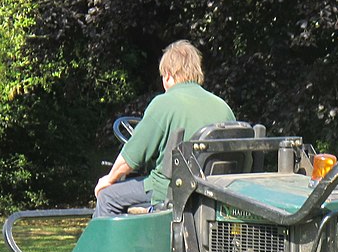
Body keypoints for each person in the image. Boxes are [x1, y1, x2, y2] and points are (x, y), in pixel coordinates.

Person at [94, 40, 235, 217]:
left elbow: (130, 158)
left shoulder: (163, 103)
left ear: (168, 75)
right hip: (214, 192)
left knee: (107, 197)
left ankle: (106, 245)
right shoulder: (223, 108)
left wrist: (109, 178)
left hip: (170, 190)